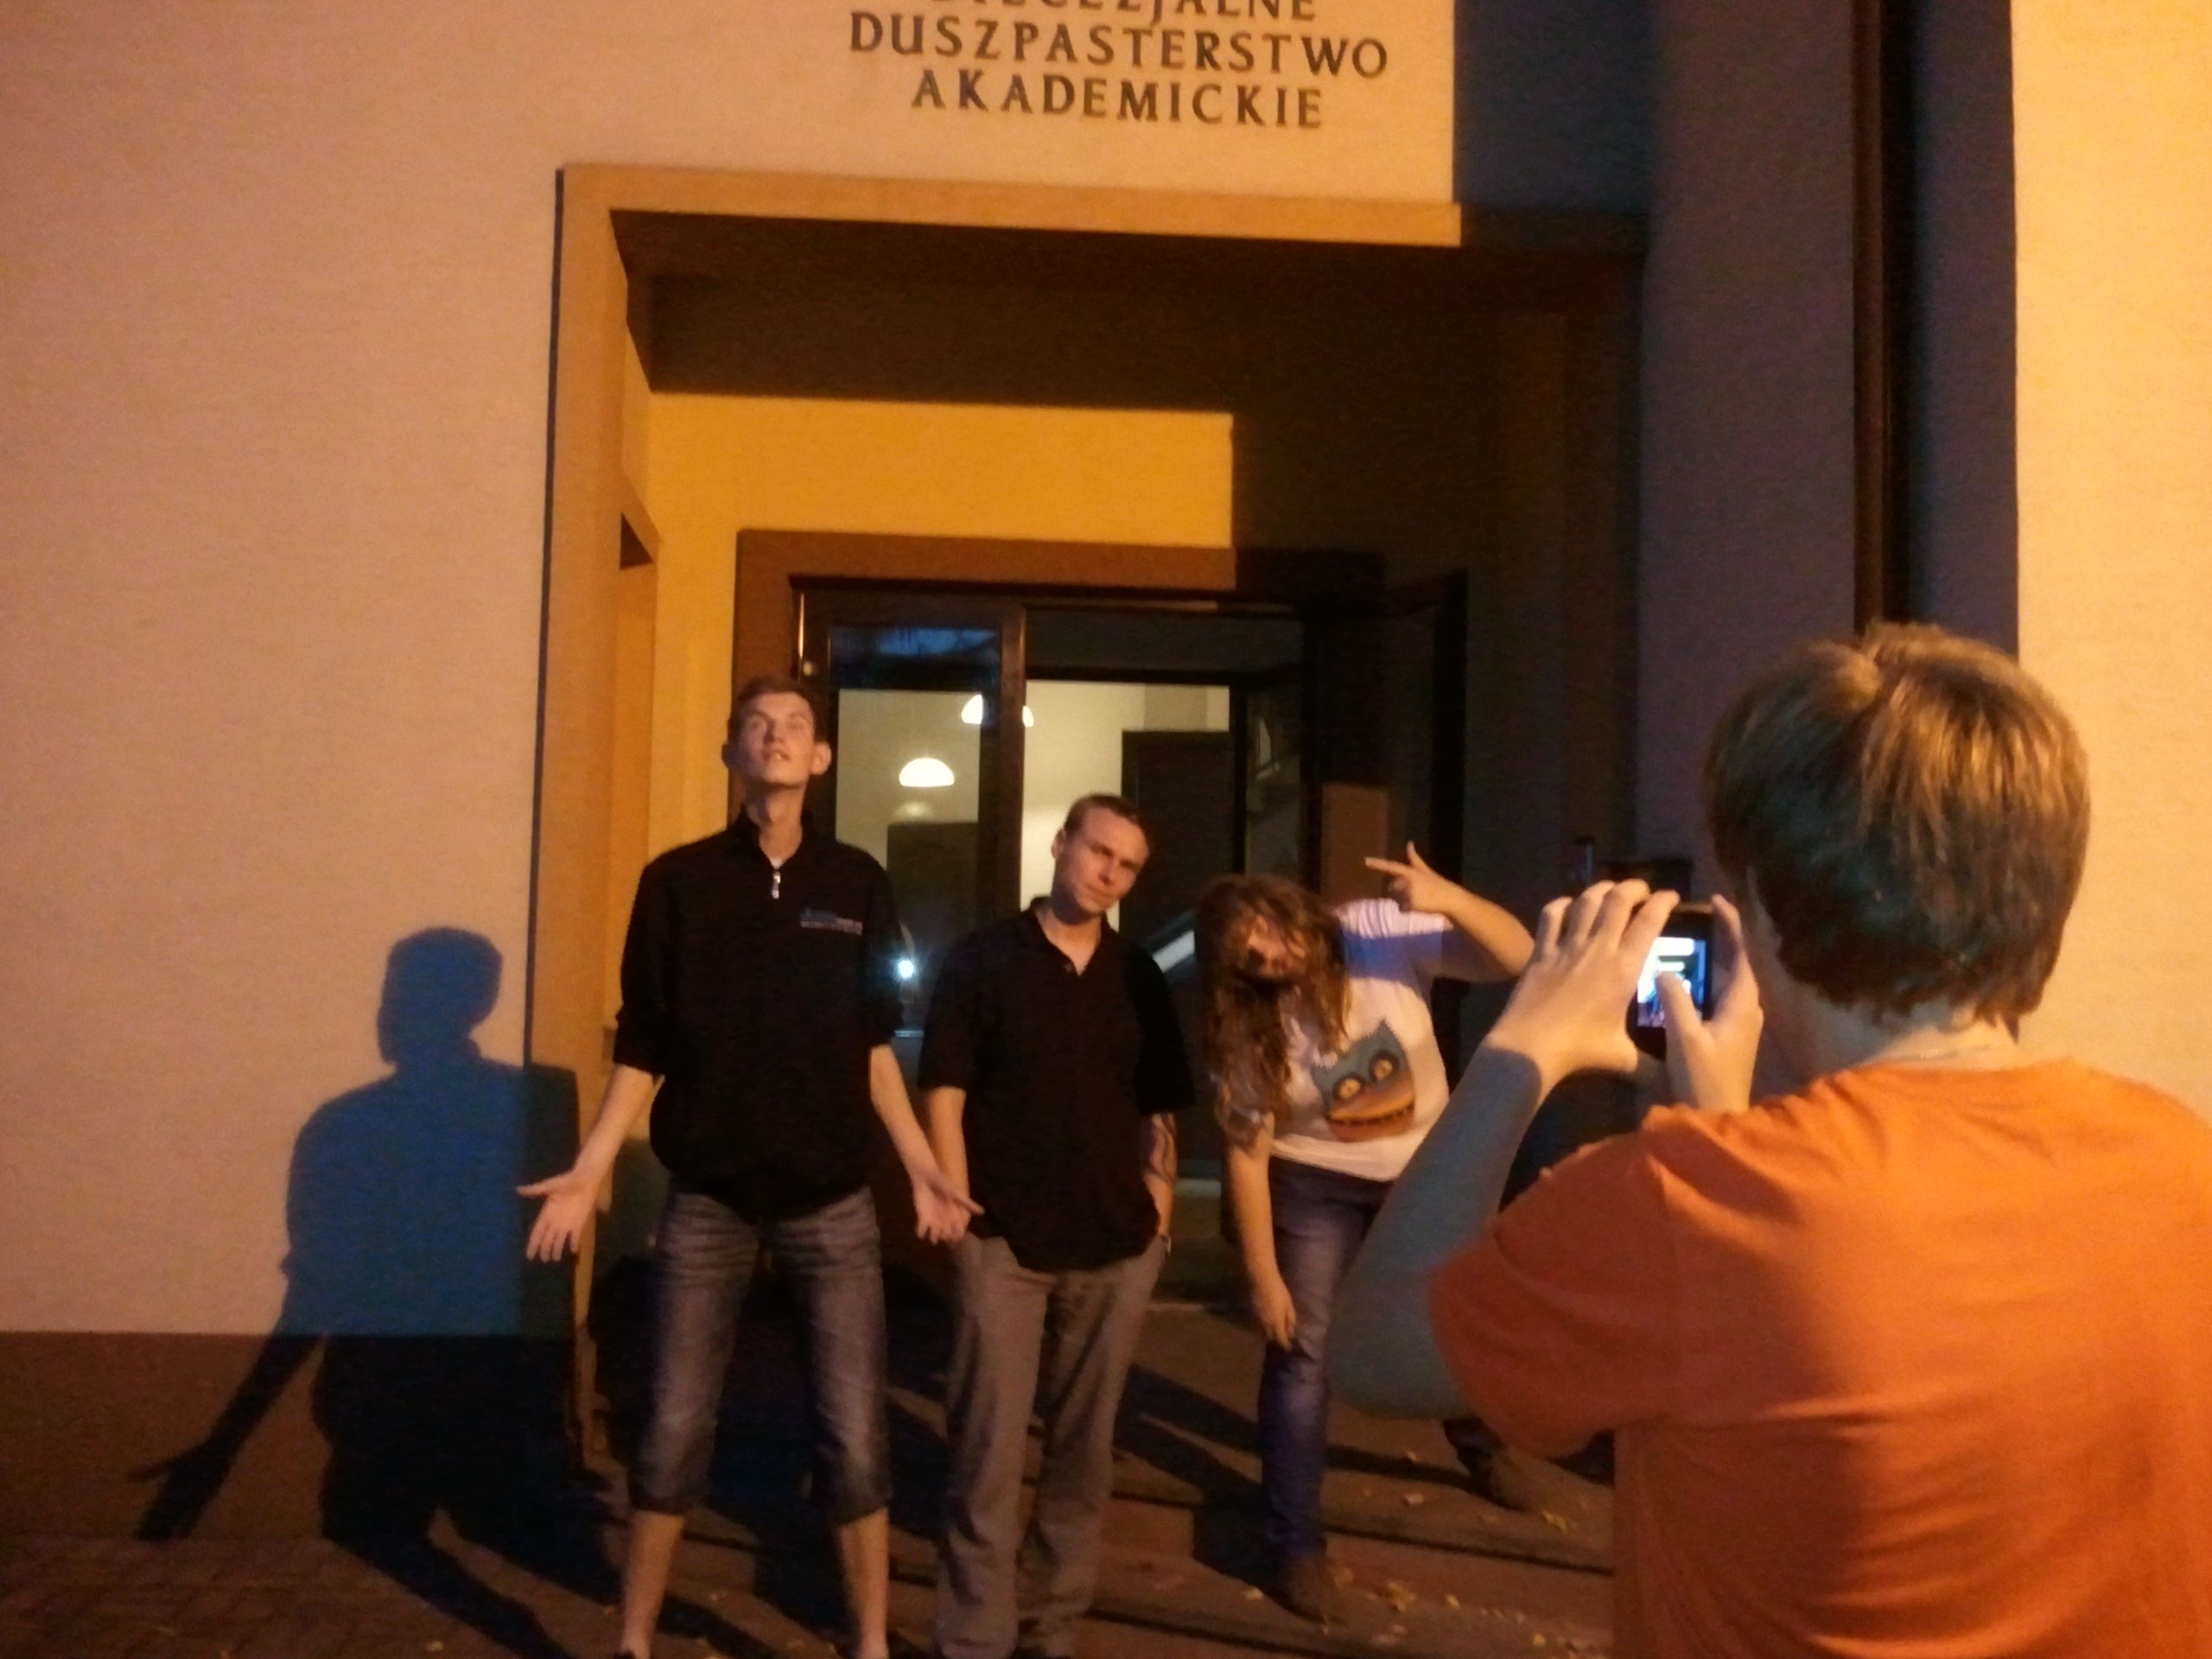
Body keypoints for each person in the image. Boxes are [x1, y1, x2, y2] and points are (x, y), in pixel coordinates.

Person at [1332, 625, 2212, 1657]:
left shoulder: (1679, 1206)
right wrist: (1722, 1125)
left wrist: (1519, 1048)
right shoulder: (2177, 1159)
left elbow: (1373, 1354)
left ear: (1764, 916)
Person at [519, 675, 975, 1659]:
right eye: (756, 726)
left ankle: (869, 1642)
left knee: (854, 1435)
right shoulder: (677, 883)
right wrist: (590, 1170)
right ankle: (634, 1641)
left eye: (795, 726)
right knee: (674, 1426)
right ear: (730, 751)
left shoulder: (855, 882)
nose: (775, 738)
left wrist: (922, 1164)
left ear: (821, 758)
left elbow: (871, 1044)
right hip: (708, 1200)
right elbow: (644, 1045)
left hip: (832, 1199)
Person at [1194, 855, 1532, 1623]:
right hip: (1315, 1185)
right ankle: (1295, 1545)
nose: (1272, 954)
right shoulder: (1249, 1026)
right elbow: (1246, 1156)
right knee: (1302, 1355)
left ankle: (1481, 1442)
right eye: (1250, 955)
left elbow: (1515, 957)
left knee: (1458, 1315)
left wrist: (1450, 897)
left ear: (1289, 905)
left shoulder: (1372, 931)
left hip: (1425, 1169)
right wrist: (1263, 1275)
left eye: (1269, 930)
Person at [920, 794, 1190, 1659]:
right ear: (1061, 844)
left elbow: (1158, 1105)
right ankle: (975, 1639)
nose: (1109, 873)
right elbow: (945, 1089)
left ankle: (1052, 1626)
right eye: (1098, 851)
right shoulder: (983, 958)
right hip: (1002, 1240)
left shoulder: (1137, 975)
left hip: (1116, 1245)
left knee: (1083, 1454)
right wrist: (957, 1204)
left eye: (1127, 865)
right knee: (985, 1455)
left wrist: (1160, 1213)